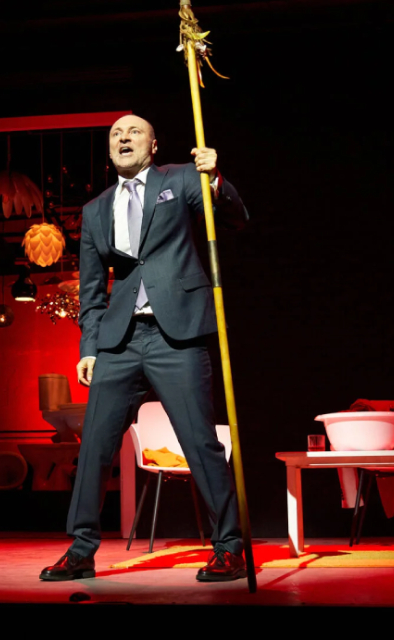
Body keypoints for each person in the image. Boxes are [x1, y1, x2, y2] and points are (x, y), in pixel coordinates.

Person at [39, 115, 249, 582]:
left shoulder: (181, 179)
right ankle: (81, 549)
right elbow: (92, 290)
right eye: (115, 134)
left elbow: (233, 218)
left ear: (153, 146)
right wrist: (89, 347)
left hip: (177, 335)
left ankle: (230, 547)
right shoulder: (95, 209)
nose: (124, 138)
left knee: (200, 442)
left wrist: (215, 179)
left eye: (134, 132)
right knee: (94, 445)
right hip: (119, 341)